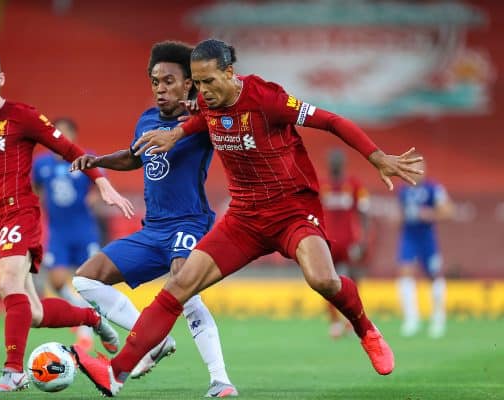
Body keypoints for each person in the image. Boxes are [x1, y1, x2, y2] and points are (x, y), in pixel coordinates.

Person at [70, 38, 423, 397]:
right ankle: (115, 373)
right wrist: (175, 133)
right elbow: (198, 122)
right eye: (198, 82)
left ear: (229, 72)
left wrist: (377, 156)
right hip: (244, 218)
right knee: (178, 287)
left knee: (323, 281)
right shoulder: (206, 104)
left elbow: (331, 121)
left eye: (209, 81)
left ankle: (365, 329)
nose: (203, 91)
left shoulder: (267, 98)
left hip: (291, 211)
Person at [0, 49, 135, 392]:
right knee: (32, 312)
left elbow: (71, 150)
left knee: (11, 284)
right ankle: (92, 318)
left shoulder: (22, 116)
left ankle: (13, 372)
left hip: (18, 213)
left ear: (1, 79)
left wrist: (101, 181)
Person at [70, 41, 238, 398]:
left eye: (169, 81)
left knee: (185, 290)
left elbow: (234, 113)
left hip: (189, 223)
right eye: (155, 82)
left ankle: (220, 380)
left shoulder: (202, 119)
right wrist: (97, 160)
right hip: (153, 230)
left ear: (189, 83)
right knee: (85, 281)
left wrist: (204, 108)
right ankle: (152, 343)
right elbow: (134, 157)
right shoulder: (146, 120)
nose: (160, 89)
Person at [33, 117, 106, 351]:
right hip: (58, 232)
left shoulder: (85, 159)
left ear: (73, 136)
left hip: (84, 229)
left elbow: (99, 185)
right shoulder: (41, 164)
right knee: (55, 282)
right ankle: (82, 313)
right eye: (56, 133)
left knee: (88, 281)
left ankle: (85, 331)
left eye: (65, 133)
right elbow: (35, 188)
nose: (60, 138)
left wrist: (93, 198)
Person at [396, 154, 453, 338]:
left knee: (434, 276)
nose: (416, 171)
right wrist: (399, 219)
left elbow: (448, 211)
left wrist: (430, 214)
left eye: (419, 167)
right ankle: (411, 319)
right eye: (413, 168)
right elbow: (399, 214)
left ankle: (438, 318)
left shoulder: (433, 188)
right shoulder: (403, 190)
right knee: (405, 273)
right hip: (409, 237)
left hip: (427, 238)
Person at [319, 149, 371, 339]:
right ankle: (334, 321)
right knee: (325, 281)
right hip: (327, 242)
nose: (335, 166)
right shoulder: (321, 185)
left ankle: (352, 319)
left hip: (349, 242)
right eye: (332, 162)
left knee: (353, 280)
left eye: (337, 162)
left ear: (343, 164)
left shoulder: (354, 184)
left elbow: (364, 212)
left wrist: (363, 239)